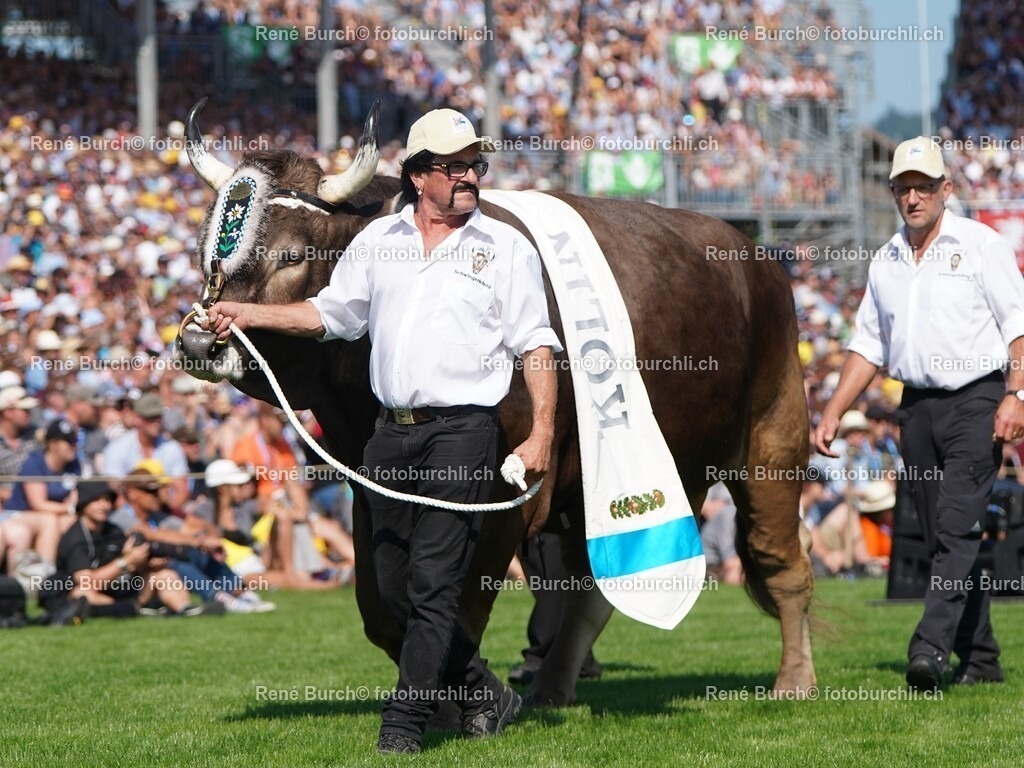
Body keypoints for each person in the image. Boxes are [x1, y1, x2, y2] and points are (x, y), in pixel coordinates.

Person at [204, 107, 561, 754]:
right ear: (420, 175)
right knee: (388, 591)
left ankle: (403, 726)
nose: (470, 176)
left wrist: (540, 432)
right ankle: (484, 690)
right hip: (389, 436)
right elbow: (330, 315)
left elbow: (536, 344)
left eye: (475, 165)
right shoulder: (379, 241)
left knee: (431, 583)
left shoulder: (504, 247)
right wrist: (247, 312)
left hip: (463, 431)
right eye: (455, 166)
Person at [812, 136, 1024, 691]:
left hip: (977, 399)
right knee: (942, 538)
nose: (913, 197)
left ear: (945, 189)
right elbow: (868, 347)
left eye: (923, 187)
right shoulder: (885, 260)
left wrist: (1016, 395)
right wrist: (834, 410)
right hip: (917, 410)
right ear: (893, 193)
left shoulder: (982, 245)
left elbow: (1019, 329)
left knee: (955, 530)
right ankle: (982, 659)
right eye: (903, 188)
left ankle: (928, 650)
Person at [44, 480, 192, 618]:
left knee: (164, 574)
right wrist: (124, 561)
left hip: (121, 589)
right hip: (92, 593)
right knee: (83, 593)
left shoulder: (113, 530)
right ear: (83, 504)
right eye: (97, 500)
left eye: (107, 500)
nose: (104, 505)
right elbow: (87, 581)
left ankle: (187, 610)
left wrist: (145, 563)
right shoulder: (75, 538)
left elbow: (132, 565)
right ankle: (133, 609)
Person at [101, 392, 189, 512]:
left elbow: (181, 489)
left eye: (159, 417)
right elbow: (117, 492)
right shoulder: (117, 448)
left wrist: (166, 514)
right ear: (137, 419)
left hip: (167, 510)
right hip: (131, 512)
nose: (157, 422)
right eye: (151, 418)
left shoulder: (172, 447)